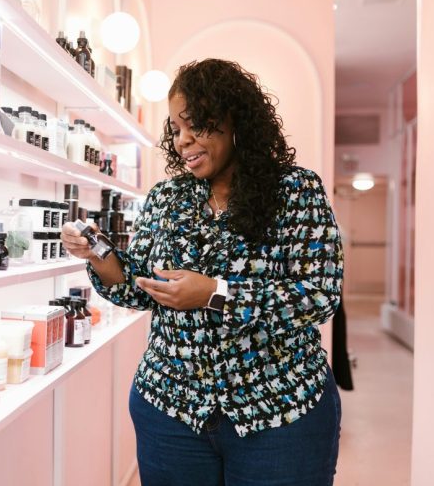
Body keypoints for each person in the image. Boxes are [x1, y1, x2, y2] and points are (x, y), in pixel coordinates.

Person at [61, 59, 344, 486]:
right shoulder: (166, 198)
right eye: (175, 129)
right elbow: (140, 288)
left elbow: (319, 296)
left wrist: (216, 292)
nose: (183, 141)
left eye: (195, 125)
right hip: (171, 412)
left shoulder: (296, 190)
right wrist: (98, 253)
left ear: (234, 120)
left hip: (280, 413)